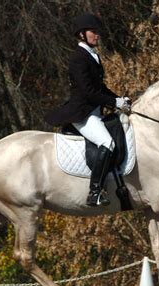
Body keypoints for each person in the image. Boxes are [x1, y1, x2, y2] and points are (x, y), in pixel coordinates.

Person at [45, 13, 130, 206]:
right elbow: (89, 92)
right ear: (82, 34)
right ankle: (95, 192)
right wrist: (114, 103)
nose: (97, 35)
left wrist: (119, 99)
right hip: (82, 113)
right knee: (107, 143)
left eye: (98, 32)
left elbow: (99, 87)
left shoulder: (92, 56)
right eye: (94, 32)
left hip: (94, 111)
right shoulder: (78, 58)